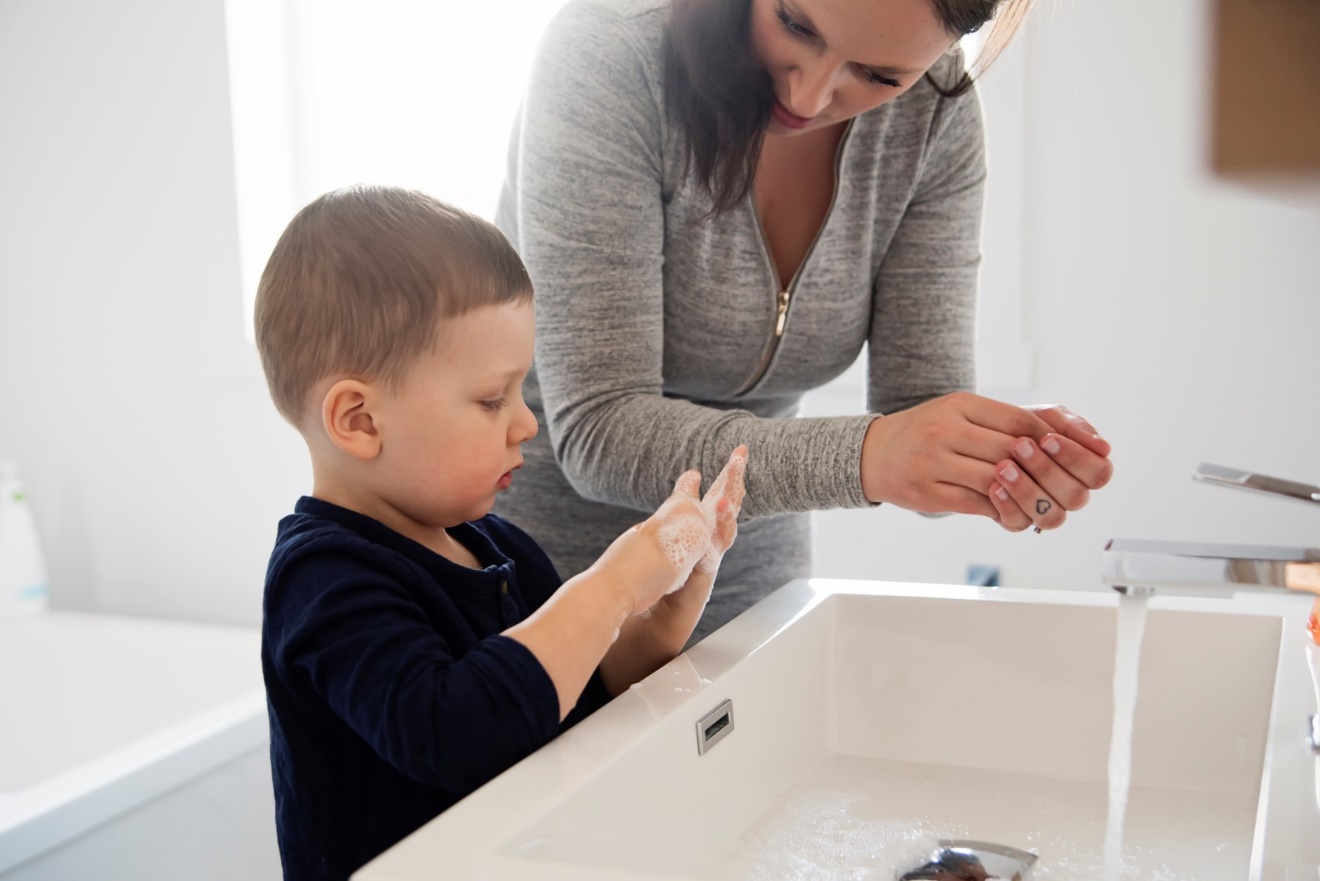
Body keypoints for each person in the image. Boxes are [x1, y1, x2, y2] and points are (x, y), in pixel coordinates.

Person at [494, 0, 1114, 640]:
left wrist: (999, 459)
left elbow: (918, 415)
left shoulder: (935, 113)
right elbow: (598, 432)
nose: (808, 96)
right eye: (794, 25)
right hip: (537, 572)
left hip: (746, 564)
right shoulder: (613, 48)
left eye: (878, 76)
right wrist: (871, 457)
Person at [253, 185, 748, 881]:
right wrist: (613, 583)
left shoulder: (499, 546)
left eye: (520, 391)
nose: (526, 422)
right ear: (359, 421)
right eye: (492, 399)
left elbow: (580, 687)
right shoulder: (323, 581)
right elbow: (456, 733)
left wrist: (668, 605)